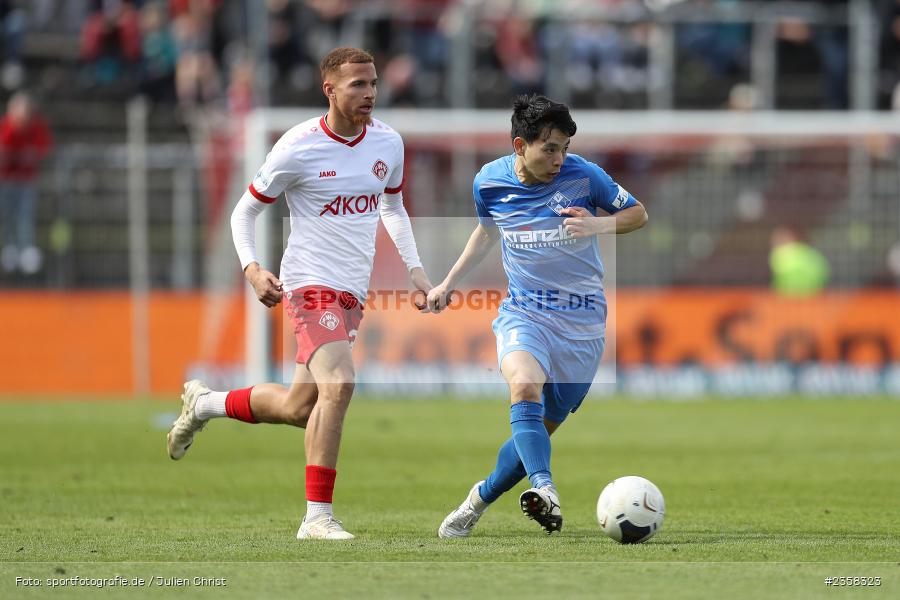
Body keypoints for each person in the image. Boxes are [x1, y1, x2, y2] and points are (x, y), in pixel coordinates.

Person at [167, 47, 434, 540]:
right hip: (310, 284)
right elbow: (244, 211)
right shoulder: (298, 146)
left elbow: (392, 208)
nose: (370, 92)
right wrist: (251, 268)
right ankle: (317, 517)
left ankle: (205, 404)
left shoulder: (388, 144)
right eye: (357, 84)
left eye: (372, 82)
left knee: (299, 407)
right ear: (329, 89)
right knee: (341, 385)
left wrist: (416, 270)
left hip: (353, 290)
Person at [428, 94, 648, 537]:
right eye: (550, 148)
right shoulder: (488, 182)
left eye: (564, 147)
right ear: (519, 145)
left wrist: (597, 225)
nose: (559, 158)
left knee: (537, 434)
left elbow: (637, 213)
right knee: (523, 386)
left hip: (582, 324)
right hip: (524, 312)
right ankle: (546, 490)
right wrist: (448, 282)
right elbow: (487, 232)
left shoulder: (584, 175)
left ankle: (478, 500)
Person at [0, 91, 53, 275]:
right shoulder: (6, 126)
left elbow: (44, 147)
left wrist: (31, 154)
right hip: (7, 180)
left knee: (25, 215)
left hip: (27, 180)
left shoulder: (36, 127)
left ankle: (26, 249)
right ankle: (9, 248)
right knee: (7, 214)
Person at [769, 226, 829, 296]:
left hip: (788, 295)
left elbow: (781, 273)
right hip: (811, 295)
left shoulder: (779, 253)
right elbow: (824, 271)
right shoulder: (808, 251)